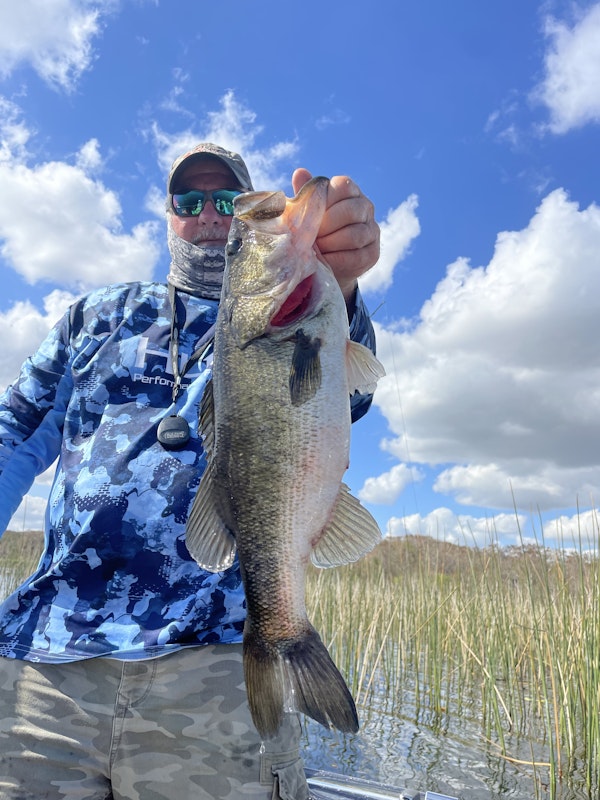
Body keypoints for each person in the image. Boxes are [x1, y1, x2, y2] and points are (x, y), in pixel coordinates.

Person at [0, 143, 380, 800]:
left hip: (219, 657)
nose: (208, 214)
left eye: (229, 201)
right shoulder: (96, 317)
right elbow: (13, 433)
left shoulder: (295, 310)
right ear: (169, 214)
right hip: (51, 657)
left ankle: (280, 635)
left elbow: (349, 395)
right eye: (188, 199)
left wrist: (341, 285)